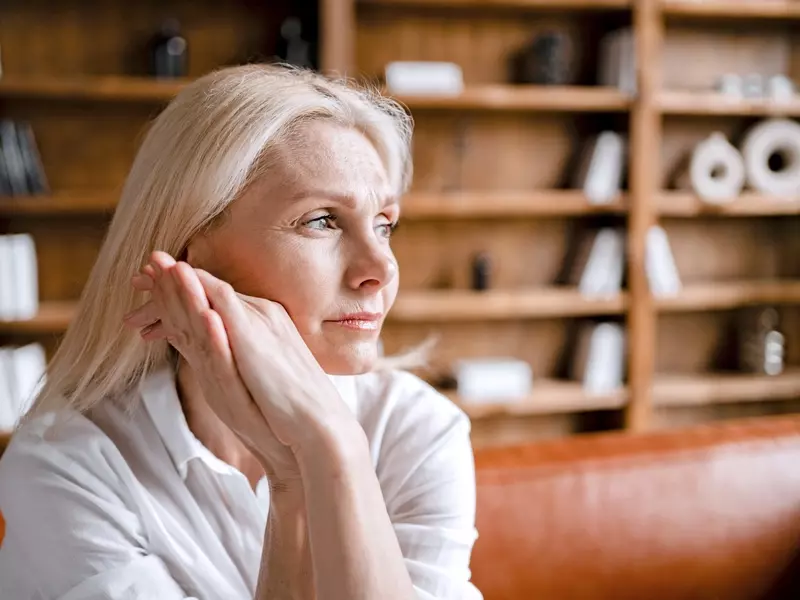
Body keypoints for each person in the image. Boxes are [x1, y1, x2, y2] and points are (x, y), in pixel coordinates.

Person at [0, 65, 481, 599]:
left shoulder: (417, 429)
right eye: (321, 220)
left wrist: (331, 447)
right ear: (189, 255)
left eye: (384, 224)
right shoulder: (69, 466)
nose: (381, 267)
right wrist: (297, 474)